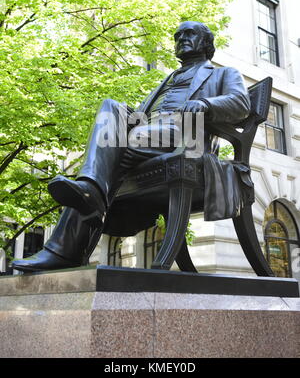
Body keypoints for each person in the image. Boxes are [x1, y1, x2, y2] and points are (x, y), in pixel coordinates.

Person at [12, 21, 251, 272]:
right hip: (146, 136)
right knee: (110, 108)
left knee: (111, 151)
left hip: (186, 137)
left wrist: (206, 104)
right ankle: (88, 196)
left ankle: (65, 245)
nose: (181, 38)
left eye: (189, 34)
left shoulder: (223, 73)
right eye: (177, 35)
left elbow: (240, 104)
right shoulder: (167, 80)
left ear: (205, 42)